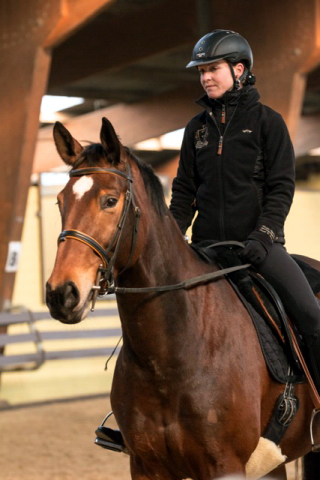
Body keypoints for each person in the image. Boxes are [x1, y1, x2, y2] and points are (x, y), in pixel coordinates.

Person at [169, 29, 320, 392]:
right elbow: (184, 192)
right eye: (201, 70)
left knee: (312, 315)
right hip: (206, 249)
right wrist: (172, 239)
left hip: (259, 249)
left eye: (212, 68)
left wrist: (263, 236)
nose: (205, 77)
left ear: (239, 70)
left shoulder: (269, 123)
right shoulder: (196, 130)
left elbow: (281, 188)